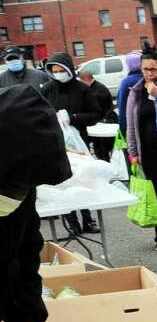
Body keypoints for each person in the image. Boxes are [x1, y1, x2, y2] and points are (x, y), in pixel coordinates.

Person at [0, 84, 72, 322]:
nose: (18, 193)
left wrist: (27, 321)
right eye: (14, 184)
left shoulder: (20, 191)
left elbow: (24, 252)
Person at [41, 52, 102, 235]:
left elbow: (95, 114)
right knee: (64, 182)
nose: (59, 74)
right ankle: (72, 222)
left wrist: (74, 118)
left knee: (83, 180)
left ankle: (88, 219)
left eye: (62, 70)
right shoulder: (47, 90)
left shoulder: (82, 90)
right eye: (55, 71)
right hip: (58, 143)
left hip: (80, 143)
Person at [126, 46, 157, 251]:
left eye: (153, 69)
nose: (149, 74)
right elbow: (129, 123)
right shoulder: (135, 91)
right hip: (148, 150)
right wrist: (133, 152)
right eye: (145, 69)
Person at [78, 69, 116, 162]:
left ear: (86, 80)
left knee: (102, 149)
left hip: (103, 124)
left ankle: (105, 163)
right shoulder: (96, 88)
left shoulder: (97, 91)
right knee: (99, 148)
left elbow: (100, 110)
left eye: (81, 81)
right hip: (100, 123)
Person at [115, 52, 142, 135]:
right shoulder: (146, 78)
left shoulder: (126, 82)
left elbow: (122, 107)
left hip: (132, 125)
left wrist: (122, 130)